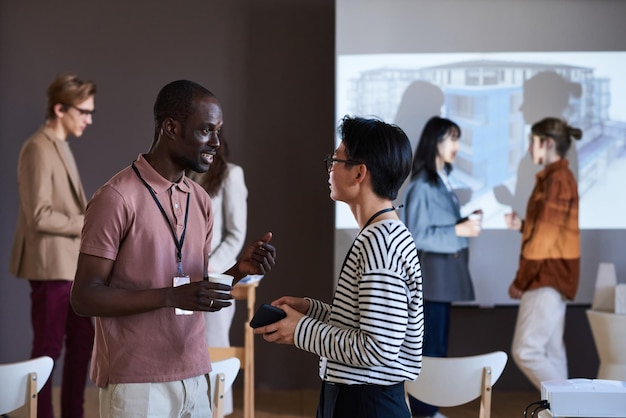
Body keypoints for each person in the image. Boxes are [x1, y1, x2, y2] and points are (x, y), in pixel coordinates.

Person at [70, 80, 276, 418]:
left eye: (219, 131)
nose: (216, 142)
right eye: (207, 130)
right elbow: (84, 297)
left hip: (195, 373)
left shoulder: (200, 201)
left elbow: (193, 291)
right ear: (171, 127)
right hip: (135, 381)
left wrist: (240, 270)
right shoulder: (116, 198)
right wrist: (169, 297)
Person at [253, 116, 423, 418]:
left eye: (335, 160)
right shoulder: (381, 234)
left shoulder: (379, 243)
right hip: (359, 396)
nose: (330, 167)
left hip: (365, 402)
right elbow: (366, 327)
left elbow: (376, 349)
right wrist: (312, 309)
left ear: (359, 172)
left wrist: (301, 330)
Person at [9, 73, 96, 418]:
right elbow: (39, 217)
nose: (89, 119)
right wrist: (88, 221)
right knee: (46, 351)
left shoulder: (60, 145)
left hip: (71, 268)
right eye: (84, 112)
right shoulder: (37, 148)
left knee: (81, 345)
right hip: (50, 267)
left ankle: (72, 414)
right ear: (60, 109)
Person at [401, 116, 481, 418]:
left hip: (440, 281)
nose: (457, 147)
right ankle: (423, 412)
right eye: (452, 139)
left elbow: (435, 227)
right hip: (430, 282)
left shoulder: (441, 180)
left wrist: (461, 223)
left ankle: (427, 410)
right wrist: (458, 231)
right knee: (429, 352)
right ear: (435, 142)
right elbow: (418, 234)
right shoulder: (422, 185)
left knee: (435, 348)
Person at [505, 117, 582, 391]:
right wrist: (522, 226)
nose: (528, 148)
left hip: (546, 276)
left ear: (547, 143)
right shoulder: (557, 178)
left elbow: (544, 241)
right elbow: (549, 231)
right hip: (553, 275)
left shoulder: (557, 180)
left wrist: (520, 280)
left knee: (527, 351)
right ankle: (564, 411)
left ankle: (570, 406)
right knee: (551, 352)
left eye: (532, 141)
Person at [187, 133, 248, 416]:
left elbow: (236, 235)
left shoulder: (231, 175)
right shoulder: (184, 172)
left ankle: (218, 411)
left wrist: (210, 266)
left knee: (214, 351)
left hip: (215, 276)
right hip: (182, 277)